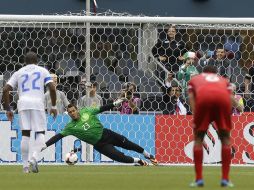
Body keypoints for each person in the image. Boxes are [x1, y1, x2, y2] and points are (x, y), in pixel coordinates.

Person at [41, 101, 158, 166]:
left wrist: (115, 103)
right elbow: (57, 137)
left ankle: (149, 155)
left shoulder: (86, 111)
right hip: (100, 145)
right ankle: (139, 161)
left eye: (73, 110)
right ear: (68, 113)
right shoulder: (70, 127)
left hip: (107, 134)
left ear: (77, 110)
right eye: (70, 112)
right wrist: (45, 145)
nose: (72, 113)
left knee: (129, 144)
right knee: (119, 158)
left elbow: (101, 109)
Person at [2, 51, 57, 173]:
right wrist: (53, 106)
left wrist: (8, 109)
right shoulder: (42, 71)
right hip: (37, 103)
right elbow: (52, 87)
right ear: (37, 61)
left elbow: (5, 89)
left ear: (24, 62)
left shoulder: (19, 72)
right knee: (41, 132)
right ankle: (34, 157)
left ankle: (25, 167)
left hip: (23, 104)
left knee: (25, 134)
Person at [188, 65, 234, 187]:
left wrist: (195, 114)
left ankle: (199, 179)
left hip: (203, 101)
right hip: (222, 101)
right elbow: (230, 98)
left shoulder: (195, 79)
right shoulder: (223, 80)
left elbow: (191, 97)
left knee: (198, 140)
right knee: (225, 139)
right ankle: (225, 179)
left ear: (203, 72)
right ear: (215, 73)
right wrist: (225, 116)